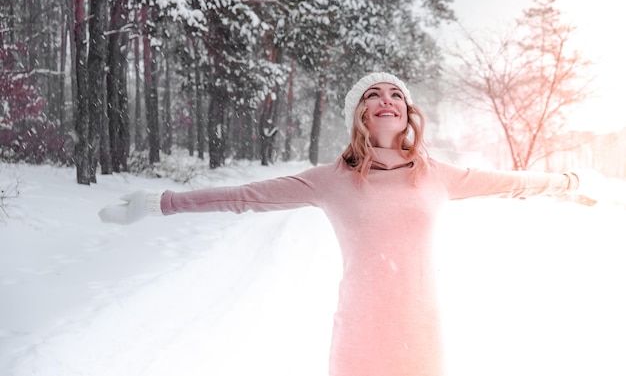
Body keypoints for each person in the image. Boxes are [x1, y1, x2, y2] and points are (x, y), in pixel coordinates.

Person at [99, 72, 592, 376]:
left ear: (407, 112)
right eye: (373, 94)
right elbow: (245, 197)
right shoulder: (331, 180)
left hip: (423, 333)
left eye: (395, 94)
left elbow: (511, 182)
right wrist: (157, 202)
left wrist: (568, 181)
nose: (386, 99)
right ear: (360, 112)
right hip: (359, 334)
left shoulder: (438, 175)